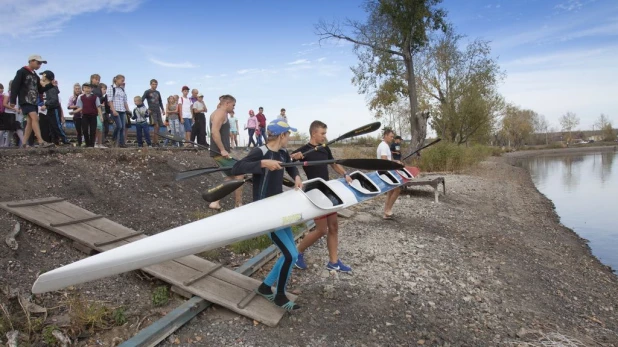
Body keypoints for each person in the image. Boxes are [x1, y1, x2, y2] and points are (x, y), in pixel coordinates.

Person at [231, 119, 303, 311]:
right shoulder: (260, 152)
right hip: (265, 213)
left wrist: (296, 176)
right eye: (288, 134)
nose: (290, 138)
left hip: (279, 209)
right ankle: (279, 296)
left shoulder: (283, 152)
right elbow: (237, 167)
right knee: (291, 255)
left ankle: (265, 287)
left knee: (291, 254)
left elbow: (290, 166)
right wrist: (263, 164)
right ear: (282, 135)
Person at [290, 121, 353, 272]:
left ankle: (334, 262)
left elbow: (333, 163)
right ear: (314, 133)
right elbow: (289, 162)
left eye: (325, 133)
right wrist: (294, 158)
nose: (325, 136)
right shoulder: (304, 150)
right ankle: (296, 254)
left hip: (327, 190)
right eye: (323, 133)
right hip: (314, 192)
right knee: (321, 230)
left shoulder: (325, 148)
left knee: (334, 227)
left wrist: (345, 174)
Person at [9, 55, 55, 148]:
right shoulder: (21, 72)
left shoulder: (36, 76)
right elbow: (15, 86)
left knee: (30, 122)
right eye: (38, 63)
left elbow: (40, 90)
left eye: (40, 64)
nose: (39, 65)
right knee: (35, 118)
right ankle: (41, 141)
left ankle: (24, 143)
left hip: (34, 101)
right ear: (31, 61)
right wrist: (12, 100)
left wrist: (50, 85)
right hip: (25, 100)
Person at [208, 95, 243, 210]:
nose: (233, 107)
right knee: (239, 174)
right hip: (219, 152)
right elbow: (214, 132)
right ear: (227, 103)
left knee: (230, 177)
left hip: (221, 152)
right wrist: (222, 149)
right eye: (233, 105)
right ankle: (238, 205)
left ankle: (215, 202)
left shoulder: (221, 113)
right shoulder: (220, 113)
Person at [377, 129, 400, 219]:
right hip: (385, 171)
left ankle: (386, 212)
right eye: (391, 136)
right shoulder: (383, 146)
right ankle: (388, 210)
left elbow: (388, 159)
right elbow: (384, 159)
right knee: (397, 189)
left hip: (386, 171)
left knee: (391, 191)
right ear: (385, 135)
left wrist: (396, 161)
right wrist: (395, 163)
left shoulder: (385, 145)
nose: (392, 138)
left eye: (393, 136)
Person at [73, 83, 101, 148]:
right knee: (85, 130)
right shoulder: (81, 97)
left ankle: (92, 145)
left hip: (93, 116)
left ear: (91, 89)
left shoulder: (95, 97)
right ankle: (87, 143)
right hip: (84, 116)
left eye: (88, 88)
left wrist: (101, 116)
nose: (87, 89)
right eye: (85, 88)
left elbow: (98, 107)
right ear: (83, 89)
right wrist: (74, 112)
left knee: (92, 130)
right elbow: (80, 107)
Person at [108, 75, 130, 148]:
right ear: (116, 80)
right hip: (115, 110)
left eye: (123, 80)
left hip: (122, 111)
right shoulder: (111, 88)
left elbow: (125, 101)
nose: (123, 82)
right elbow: (110, 101)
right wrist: (113, 110)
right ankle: (113, 140)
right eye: (122, 80)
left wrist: (128, 110)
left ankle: (122, 143)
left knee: (123, 128)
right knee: (119, 126)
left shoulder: (122, 89)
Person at [142, 79, 165, 146]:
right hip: (152, 111)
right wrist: (146, 109)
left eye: (156, 84)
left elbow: (160, 101)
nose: (155, 85)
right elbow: (142, 100)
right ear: (150, 84)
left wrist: (163, 109)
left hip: (158, 110)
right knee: (156, 125)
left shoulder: (158, 92)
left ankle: (155, 142)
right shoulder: (147, 92)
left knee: (158, 127)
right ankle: (155, 142)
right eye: (153, 84)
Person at [2, 80, 23, 147]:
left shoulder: (18, 94)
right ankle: (24, 142)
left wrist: (19, 109)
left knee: (11, 129)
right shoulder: (7, 94)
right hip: (9, 114)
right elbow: (4, 104)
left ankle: (6, 144)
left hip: (16, 114)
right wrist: (14, 108)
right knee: (16, 128)